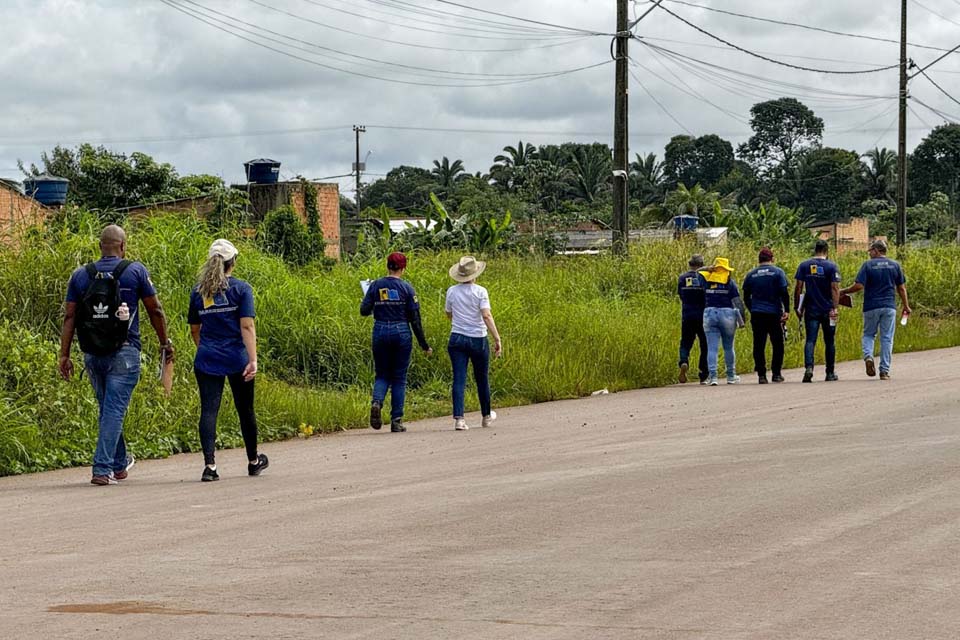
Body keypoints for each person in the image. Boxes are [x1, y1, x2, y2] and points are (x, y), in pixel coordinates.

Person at [58, 224, 174, 486]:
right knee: (113, 410)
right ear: (123, 246)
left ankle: (119, 464)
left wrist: (64, 355)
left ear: (100, 247)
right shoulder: (135, 271)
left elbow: (69, 316)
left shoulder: (80, 275)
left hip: (92, 354)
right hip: (125, 352)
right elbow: (155, 310)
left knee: (109, 409)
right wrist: (164, 342)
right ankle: (102, 468)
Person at [188, 239, 268, 482]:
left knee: (209, 409)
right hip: (237, 357)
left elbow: (194, 328)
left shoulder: (199, 291)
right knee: (245, 410)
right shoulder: (242, 289)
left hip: (207, 357)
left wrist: (206, 349)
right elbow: (247, 325)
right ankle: (253, 461)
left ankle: (210, 466)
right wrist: (253, 359)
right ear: (233, 262)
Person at [360, 252, 432, 433]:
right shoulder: (407, 288)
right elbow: (415, 320)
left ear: (387, 266)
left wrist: (377, 305)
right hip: (401, 331)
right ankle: (396, 420)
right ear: (403, 268)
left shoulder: (375, 285)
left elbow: (364, 310)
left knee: (382, 374)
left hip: (380, 330)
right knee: (399, 377)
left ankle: (377, 402)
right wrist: (424, 344)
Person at [840, 239, 911, 380]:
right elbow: (901, 288)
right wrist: (906, 305)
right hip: (889, 307)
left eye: (871, 250)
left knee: (868, 335)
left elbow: (859, 286)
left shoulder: (868, 265)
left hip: (871, 307)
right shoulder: (895, 265)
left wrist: (844, 291)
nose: (869, 253)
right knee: (887, 338)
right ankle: (884, 371)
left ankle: (868, 357)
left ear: (877, 250)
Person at [445, 256, 502, 430]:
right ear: (475, 273)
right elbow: (486, 315)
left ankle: (459, 419)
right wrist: (497, 338)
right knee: (481, 378)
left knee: (459, 378)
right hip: (478, 338)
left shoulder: (451, 291)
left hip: (457, 338)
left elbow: (448, 313)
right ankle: (485, 415)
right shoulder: (480, 291)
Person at [794, 239, 841, 383]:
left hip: (811, 309)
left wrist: (797, 307)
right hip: (828, 310)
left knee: (810, 340)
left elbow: (798, 287)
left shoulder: (804, 266)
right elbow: (835, 288)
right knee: (829, 341)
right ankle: (830, 372)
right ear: (826, 251)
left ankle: (809, 368)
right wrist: (835, 307)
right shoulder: (832, 266)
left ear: (815, 250)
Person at [742, 247, 791, 384]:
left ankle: (761, 375)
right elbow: (784, 292)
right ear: (772, 259)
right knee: (777, 344)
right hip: (774, 313)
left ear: (759, 260)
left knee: (759, 344)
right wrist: (786, 310)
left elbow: (746, 295)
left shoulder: (751, 274)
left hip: (757, 313)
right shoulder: (778, 272)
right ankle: (776, 374)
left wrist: (752, 309)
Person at [699, 257, 745, 386]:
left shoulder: (706, 280)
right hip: (727, 314)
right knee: (728, 347)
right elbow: (737, 301)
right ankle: (730, 376)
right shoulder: (730, 283)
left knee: (712, 348)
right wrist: (742, 318)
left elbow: (697, 272)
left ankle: (713, 377)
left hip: (709, 313)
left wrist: (707, 268)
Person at [677, 254, 708, 384]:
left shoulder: (682, 278)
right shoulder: (705, 278)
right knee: (704, 344)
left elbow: (681, 295)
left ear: (690, 264)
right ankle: (703, 374)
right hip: (703, 315)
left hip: (687, 315)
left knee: (685, 342)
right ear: (702, 265)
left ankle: (684, 361)